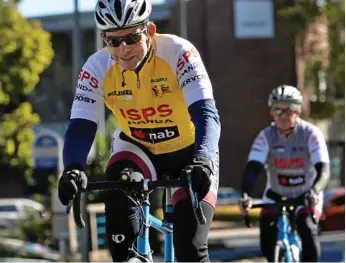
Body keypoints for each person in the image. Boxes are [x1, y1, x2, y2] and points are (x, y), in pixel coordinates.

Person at [57, 0, 220, 262]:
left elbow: (206, 113)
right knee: (121, 229)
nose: (123, 49)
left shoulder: (179, 52)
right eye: (114, 40)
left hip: (191, 151)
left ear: (150, 31)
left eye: (132, 37)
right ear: (103, 38)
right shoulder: (96, 67)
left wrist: (203, 159)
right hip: (137, 148)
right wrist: (73, 167)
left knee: (191, 246)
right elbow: (81, 125)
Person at [238, 85, 330, 262]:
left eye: (289, 110)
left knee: (307, 228)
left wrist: (315, 190)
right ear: (271, 112)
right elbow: (253, 168)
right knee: (267, 238)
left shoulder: (311, 134)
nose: (283, 116)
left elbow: (323, 169)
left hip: (306, 193)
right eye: (277, 110)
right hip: (275, 194)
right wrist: (245, 194)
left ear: (299, 111)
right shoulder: (265, 136)